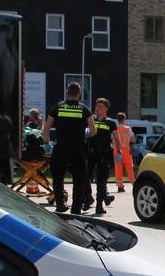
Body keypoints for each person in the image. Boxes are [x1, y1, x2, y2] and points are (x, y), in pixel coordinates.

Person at [44, 82, 94, 214]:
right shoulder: (84, 109)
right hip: (78, 149)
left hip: (60, 148)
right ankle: (76, 208)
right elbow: (93, 130)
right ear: (79, 94)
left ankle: (60, 205)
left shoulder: (58, 107)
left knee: (58, 178)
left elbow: (46, 128)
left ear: (67, 92)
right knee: (79, 179)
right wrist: (87, 133)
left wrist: (46, 143)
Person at [86, 98, 119, 215]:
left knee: (101, 181)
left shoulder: (110, 123)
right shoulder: (91, 120)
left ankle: (99, 206)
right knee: (85, 177)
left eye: (100, 106)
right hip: (91, 153)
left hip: (104, 155)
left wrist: (118, 152)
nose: (97, 108)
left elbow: (117, 139)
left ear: (106, 109)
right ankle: (87, 199)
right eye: (96, 106)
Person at [114, 112, 135, 192]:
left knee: (118, 169)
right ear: (124, 119)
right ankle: (134, 184)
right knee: (129, 168)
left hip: (117, 151)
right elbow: (132, 138)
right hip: (126, 151)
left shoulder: (115, 128)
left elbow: (112, 139)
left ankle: (120, 187)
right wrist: (131, 145)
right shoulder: (127, 128)